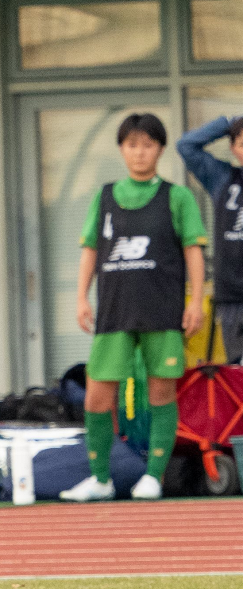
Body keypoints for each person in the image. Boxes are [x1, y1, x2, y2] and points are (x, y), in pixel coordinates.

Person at [63, 113, 207, 503]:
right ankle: (100, 478)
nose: (140, 152)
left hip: (163, 311)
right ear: (121, 149)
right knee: (97, 395)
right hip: (114, 311)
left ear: (160, 149)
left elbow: (194, 251)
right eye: (132, 145)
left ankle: (154, 477)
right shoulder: (105, 196)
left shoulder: (177, 197)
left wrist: (195, 302)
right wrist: (80, 298)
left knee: (161, 392)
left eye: (148, 145)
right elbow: (90, 249)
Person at [177, 114, 243, 363]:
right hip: (231, 297)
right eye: (242, 143)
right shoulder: (222, 179)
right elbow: (186, 146)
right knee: (237, 377)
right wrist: (228, 122)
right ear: (233, 149)